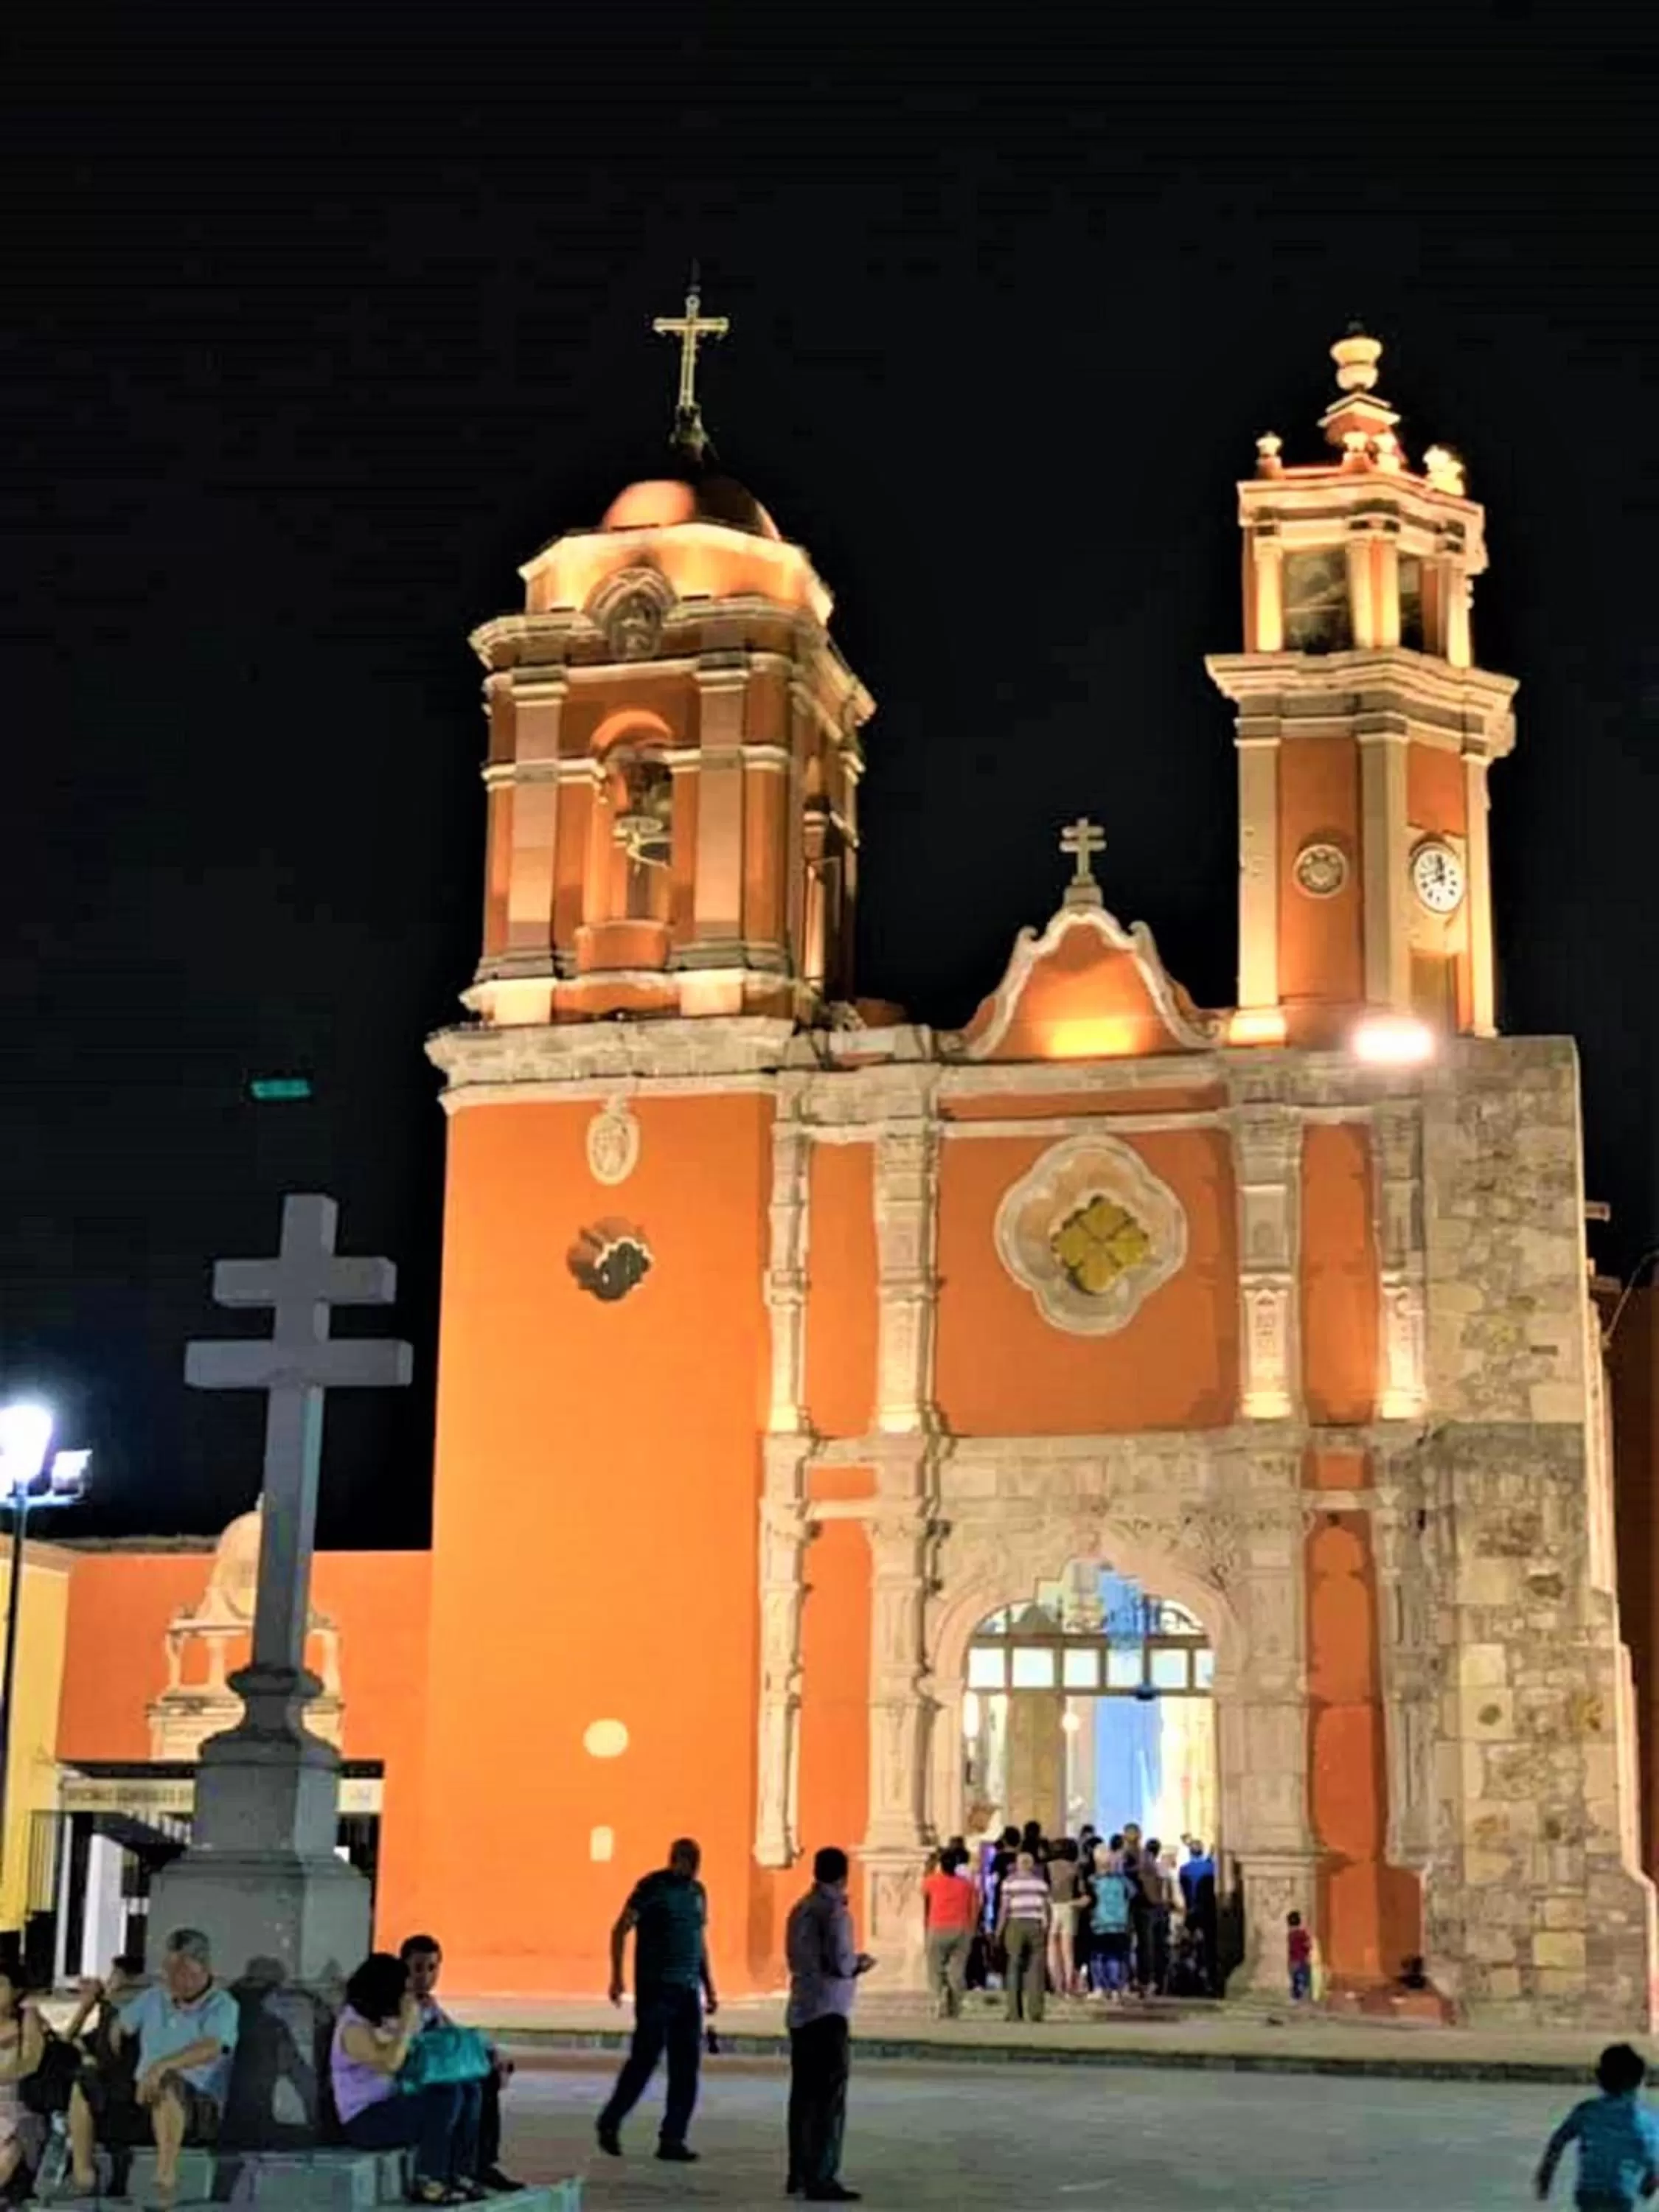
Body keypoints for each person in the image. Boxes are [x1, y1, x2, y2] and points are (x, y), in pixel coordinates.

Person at [66, 1927, 240, 2207]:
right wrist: (111, 2045)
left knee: (166, 2082)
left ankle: (165, 2179)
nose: (172, 1978)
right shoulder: (154, 1997)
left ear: (202, 1968)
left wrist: (162, 2066)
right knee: (85, 2083)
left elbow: (212, 2046)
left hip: (196, 2107)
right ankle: (83, 2175)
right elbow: (120, 2027)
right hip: (142, 2098)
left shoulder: (223, 2006)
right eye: (168, 1969)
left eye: (180, 1970)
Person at [597, 1837, 716, 2165]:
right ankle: (611, 2119)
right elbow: (620, 1928)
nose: (691, 1867)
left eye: (695, 1861)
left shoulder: (697, 1894)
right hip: (656, 1989)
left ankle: (673, 2137)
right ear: (675, 1859)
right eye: (687, 1860)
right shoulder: (651, 1888)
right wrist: (618, 1977)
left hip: (687, 1991)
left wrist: (709, 1986)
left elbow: (698, 1941)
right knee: (644, 2060)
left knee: (686, 2066)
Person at [331, 1951, 482, 2208]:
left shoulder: (379, 2019)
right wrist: (406, 2027)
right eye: (403, 1989)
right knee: (446, 2097)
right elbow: (389, 2063)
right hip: (365, 2121)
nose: (407, 1995)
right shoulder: (353, 2028)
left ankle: (460, 2172)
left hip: (393, 2105)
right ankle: (429, 2180)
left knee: (468, 2089)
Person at [785, 1845, 874, 2202]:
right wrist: (859, 1964)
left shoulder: (800, 1908)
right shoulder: (835, 1912)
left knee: (803, 2096)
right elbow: (841, 1962)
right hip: (830, 2011)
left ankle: (799, 2170)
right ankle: (822, 2175)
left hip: (802, 2007)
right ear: (843, 1874)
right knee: (828, 2099)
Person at [400, 1935, 521, 2194]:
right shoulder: (402, 2004)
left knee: (484, 2079)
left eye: (433, 1968)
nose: (426, 1976)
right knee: (464, 2089)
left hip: (435, 2073)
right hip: (415, 2079)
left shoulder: (429, 2005)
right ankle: (452, 2170)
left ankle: (480, 2164)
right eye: (418, 1968)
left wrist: (493, 2053)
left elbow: (456, 2034)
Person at [1536, 2042, 1659, 2208]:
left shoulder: (1586, 2112)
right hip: (1623, 2195)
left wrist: (1546, 2174)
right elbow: (1655, 2161)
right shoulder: (1645, 2120)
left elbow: (1558, 2141)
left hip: (1588, 2193)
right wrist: (1649, 2185)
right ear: (1639, 2081)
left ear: (1600, 2078)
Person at [0, 1964, 45, 2195]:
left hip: (16, 2105)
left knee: (10, 2148)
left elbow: (31, 2062)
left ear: (16, 1991)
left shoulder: (26, 2019)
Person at [995, 1849, 1051, 2023]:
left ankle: (1014, 2012)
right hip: (1036, 1925)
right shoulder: (1041, 1884)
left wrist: (999, 1930)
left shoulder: (1009, 1883)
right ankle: (1035, 2011)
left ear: (1017, 1865)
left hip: (1015, 1924)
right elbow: (1047, 1908)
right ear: (1032, 1865)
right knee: (1036, 1968)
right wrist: (1046, 1926)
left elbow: (1004, 1908)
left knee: (1014, 1966)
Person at [921, 1845, 975, 2020]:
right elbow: (974, 1907)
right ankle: (955, 2005)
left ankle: (938, 1999)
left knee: (935, 1967)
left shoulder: (932, 1881)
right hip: (961, 1928)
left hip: (938, 1927)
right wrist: (971, 1929)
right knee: (957, 1969)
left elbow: (922, 1892)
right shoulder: (966, 1885)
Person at [1085, 1842, 1133, 2000]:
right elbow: (1132, 1894)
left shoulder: (1092, 1881)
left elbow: (1089, 1900)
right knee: (1116, 1956)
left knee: (1098, 1956)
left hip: (1099, 1923)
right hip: (1120, 1922)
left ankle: (1099, 1987)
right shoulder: (1123, 1881)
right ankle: (1115, 1988)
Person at [1178, 1840, 1219, 1994]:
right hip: (1208, 1911)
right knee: (1208, 1946)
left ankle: (1188, 1976)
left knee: (1188, 1945)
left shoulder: (1184, 1870)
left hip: (1191, 1910)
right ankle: (1208, 1979)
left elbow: (1184, 1890)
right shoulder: (1211, 1868)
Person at [1046, 1840, 1082, 1998]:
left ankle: (1057, 1984)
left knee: (1052, 1947)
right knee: (1068, 1950)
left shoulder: (1047, 1867)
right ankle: (1069, 1984)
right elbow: (1080, 1890)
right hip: (1069, 1907)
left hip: (1051, 1906)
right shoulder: (1075, 1868)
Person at [1138, 1840, 1175, 1996]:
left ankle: (1146, 1980)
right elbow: (1168, 1894)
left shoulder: (1143, 1868)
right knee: (1160, 1948)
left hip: (1146, 1911)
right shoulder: (1162, 1869)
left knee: (1146, 1946)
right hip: (1160, 1911)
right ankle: (1159, 1983)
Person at [1287, 1910, 1312, 2002]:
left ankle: (1294, 1997)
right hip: (1302, 1960)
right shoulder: (1301, 1934)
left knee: (1295, 1980)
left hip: (1292, 1961)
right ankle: (1303, 1997)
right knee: (1304, 1980)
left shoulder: (1290, 1934)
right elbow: (1308, 1945)